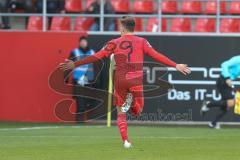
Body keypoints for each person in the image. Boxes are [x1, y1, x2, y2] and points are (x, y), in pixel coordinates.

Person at [60, 16, 191, 148]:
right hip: (135, 80)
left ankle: (126, 141)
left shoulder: (114, 42)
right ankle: (132, 100)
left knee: (121, 112)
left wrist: (76, 64)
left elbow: (97, 56)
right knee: (137, 111)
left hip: (120, 80)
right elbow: (156, 55)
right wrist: (175, 65)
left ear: (122, 28)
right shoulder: (142, 41)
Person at [200, 55, 240, 129]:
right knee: (231, 102)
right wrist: (227, 78)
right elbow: (224, 64)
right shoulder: (238, 59)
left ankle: (213, 123)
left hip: (228, 82)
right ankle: (208, 104)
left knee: (226, 107)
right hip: (223, 80)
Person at [66, 37, 95, 123]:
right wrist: (66, 77)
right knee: (79, 101)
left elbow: (97, 67)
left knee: (88, 101)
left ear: (87, 43)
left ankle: (85, 120)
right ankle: (79, 121)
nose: (83, 43)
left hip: (89, 81)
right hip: (78, 80)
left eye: (84, 41)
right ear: (79, 43)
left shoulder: (92, 52)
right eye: (81, 42)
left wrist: (97, 80)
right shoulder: (75, 52)